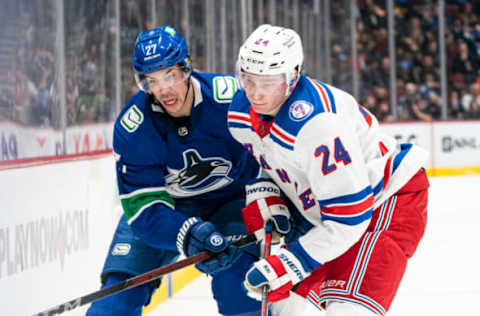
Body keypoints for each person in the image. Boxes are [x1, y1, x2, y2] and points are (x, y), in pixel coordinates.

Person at [86, 25, 291, 316]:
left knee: (239, 289)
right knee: (115, 301)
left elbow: (279, 147)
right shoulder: (134, 127)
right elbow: (143, 208)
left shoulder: (232, 98)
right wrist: (186, 232)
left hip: (232, 204)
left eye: (170, 75)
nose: (163, 89)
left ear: (187, 68)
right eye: (151, 81)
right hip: (167, 211)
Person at [228, 24, 429, 316]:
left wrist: (290, 263)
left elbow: (349, 219)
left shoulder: (317, 125)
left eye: (268, 83)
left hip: (384, 203)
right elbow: (273, 160)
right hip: (330, 210)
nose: (256, 94)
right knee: (287, 306)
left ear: (292, 77)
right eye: (248, 80)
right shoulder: (240, 112)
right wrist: (267, 190)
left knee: (346, 311)